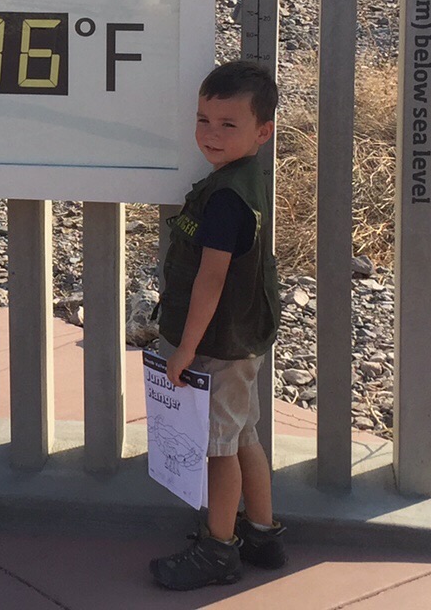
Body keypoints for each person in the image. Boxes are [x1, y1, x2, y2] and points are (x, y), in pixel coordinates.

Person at [148, 58, 287, 590]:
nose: (211, 133)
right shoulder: (241, 179)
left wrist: (186, 348)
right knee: (243, 433)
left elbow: (211, 278)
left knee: (218, 448)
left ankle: (219, 550)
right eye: (204, 120)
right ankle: (262, 534)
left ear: (262, 132)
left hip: (220, 344)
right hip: (241, 338)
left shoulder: (227, 198)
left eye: (229, 124)